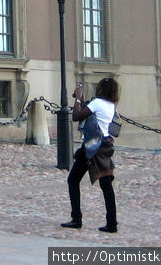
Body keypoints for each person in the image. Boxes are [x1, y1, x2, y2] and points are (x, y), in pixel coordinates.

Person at [60, 77, 120, 233]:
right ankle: (112, 223)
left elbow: (76, 116)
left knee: (73, 180)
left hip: (92, 147)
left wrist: (78, 98)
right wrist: (83, 101)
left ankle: (76, 218)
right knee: (106, 186)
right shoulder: (111, 105)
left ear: (101, 89)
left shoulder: (97, 103)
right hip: (105, 146)